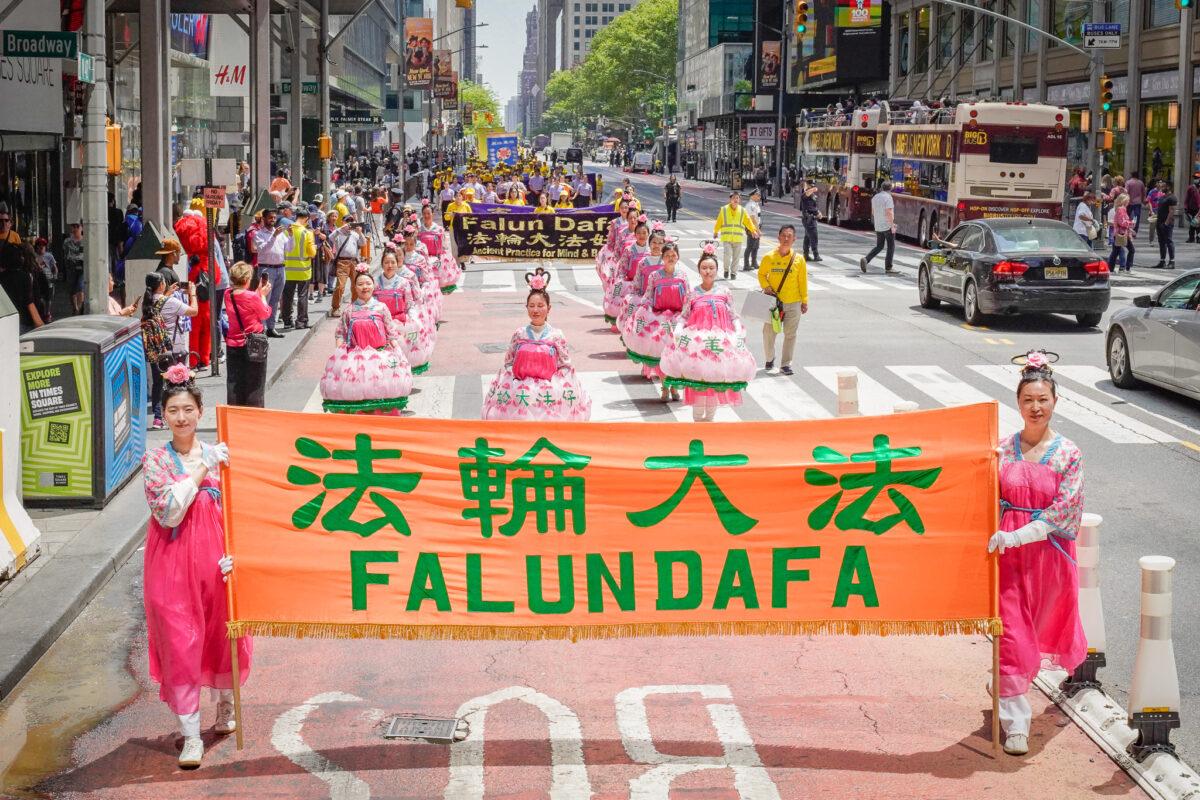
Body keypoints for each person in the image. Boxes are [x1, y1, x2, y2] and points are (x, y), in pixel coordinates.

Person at [142, 366, 250, 768]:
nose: (182, 417)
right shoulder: (155, 461)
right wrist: (205, 468)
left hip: (217, 563)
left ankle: (225, 706)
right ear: (164, 415)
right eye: (173, 410)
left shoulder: (224, 455)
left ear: (200, 412)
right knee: (181, 642)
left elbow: (239, 508)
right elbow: (169, 512)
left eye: (188, 409)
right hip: (170, 567)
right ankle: (190, 735)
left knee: (225, 636)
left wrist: (236, 550)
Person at [987, 350, 1087, 757]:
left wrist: (1021, 534)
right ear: (1018, 402)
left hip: (1048, 556)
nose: (1036, 407)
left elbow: (1065, 509)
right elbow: (983, 495)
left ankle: (1006, 683)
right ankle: (1016, 722)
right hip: (1007, 559)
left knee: (1037, 632)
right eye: (1028, 399)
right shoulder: (1002, 451)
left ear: (1055, 402)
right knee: (1013, 637)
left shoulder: (1068, 454)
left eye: (1043, 399)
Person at [660, 245, 756, 422]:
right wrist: (679, 331)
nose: (708, 271)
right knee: (699, 383)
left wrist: (737, 331)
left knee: (714, 382)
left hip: (719, 343)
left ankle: (709, 422)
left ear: (717, 270)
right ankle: (697, 422)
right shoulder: (692, 293)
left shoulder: (724, 292)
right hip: (697, 344)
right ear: (699, 270)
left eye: (711, 268)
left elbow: (732, 315)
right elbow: (684, 316)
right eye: (704, 268)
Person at [482, 269, 591, 421]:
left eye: (540, 305)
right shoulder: (519, 334)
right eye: (531, 305)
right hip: (522, 391)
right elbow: (508, 363)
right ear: (526, 308)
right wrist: (516, 383)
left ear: (549, 308)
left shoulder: (556, 336)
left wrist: (552, 386)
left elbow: (565, 366)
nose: (536, 310)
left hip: (548, 392)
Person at [319, 264, 413, 415]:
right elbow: (340, 334)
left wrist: (398, 351)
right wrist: (339, 354)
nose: (365, 287)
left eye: (368, 284)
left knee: (381, 397)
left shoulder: (381, 308)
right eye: (360, 284)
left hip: (380, 357)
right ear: (355, 287)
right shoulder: (349, 310)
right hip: (355, 360)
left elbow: (391, 333)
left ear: (373, 286)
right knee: (357, 398)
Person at [624, 241, 689, 398]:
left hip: (677, 318)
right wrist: (643, 310)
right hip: (658, 317)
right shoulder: (655, 276)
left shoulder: (682, 275)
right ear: (662, 258)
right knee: (660, 354)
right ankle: (665, 386)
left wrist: (687, 315)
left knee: (677, 354)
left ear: (678, 257)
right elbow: (648, 296)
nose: (670, 258)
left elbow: (688, 297)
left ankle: (674, 386)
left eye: (673, 255)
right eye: (667, 256)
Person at [758, 224, 808, 375]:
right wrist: (766, 287)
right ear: (778, 237)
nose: (786, 238)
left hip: (793, 302)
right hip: (774, 303)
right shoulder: (769, 257)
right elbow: (761, 274)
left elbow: (803, 281)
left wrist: (804, 300)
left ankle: (786, 364)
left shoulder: (799, 260)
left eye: (789, 236)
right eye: (784, 235)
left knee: (790, 334)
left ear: (794, 239)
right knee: (768, 332)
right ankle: (769, 358)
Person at [224, 262, 273, 407]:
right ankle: (254, 414)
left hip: (233, 342)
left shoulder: (228, 294)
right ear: (247, 279)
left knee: (234, 382)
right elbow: (265, 313)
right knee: (255, 383)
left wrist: (258, 294)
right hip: (254, 343)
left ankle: (234, 412)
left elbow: (245, 302)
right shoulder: (253, 297)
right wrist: (263, 296)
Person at [603, 218, 651, 328]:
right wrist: (622, 282)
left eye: (644, 233)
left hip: (647, 289)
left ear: (648, 234)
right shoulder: (629, 250)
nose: (641, 235)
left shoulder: (651, 251)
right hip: (630, 285)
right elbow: (622, 269)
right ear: (634, 234)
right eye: (638, 233)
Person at [251, 207, 290, 331]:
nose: (273, 220)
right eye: (270, 218)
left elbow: (289, 248)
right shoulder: (259, 234)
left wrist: (292, 236)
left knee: (275, 300)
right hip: (267, 269)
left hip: (280, 269)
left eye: (274, 218)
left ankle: (271, 328)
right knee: (264, 299)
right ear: (264, 219)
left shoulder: (280, 233)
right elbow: (262, 249)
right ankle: (262, 328)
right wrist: (273, 236)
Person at [280, 207, 316, 330]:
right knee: (302, 296)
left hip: (287, 270)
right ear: (306, 218)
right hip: (303, 270)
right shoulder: (307, 233)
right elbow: (312, 253)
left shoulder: (286, 231)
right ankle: (301, 322)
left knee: (287, 296)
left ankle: (286, 321)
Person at [327, 213, 367, 318]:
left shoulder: (355, 234)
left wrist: (360, 232)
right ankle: (335, 308)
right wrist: (341, 228)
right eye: (347, 221)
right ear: (343, 222)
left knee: (355, 286)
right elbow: (330, 237)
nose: (349, 223)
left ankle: (355, 307)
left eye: (351, 221)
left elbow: (363, 243)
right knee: (340, 286)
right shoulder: (339, 232)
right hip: (342, 262)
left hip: (354, 262)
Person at [712, 192, 757, 281]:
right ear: (730, 199)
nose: (736, 200)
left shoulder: (742, 210)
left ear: (739, 200)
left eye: (737, 198)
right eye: (734, 198)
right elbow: (719, 221)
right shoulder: (724, 209)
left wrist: (753, 230)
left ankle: (733, 273)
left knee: (736, 257)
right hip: (727, 238)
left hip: (738, 238)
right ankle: (726, 270)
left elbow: (748, 221)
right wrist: (716, 231)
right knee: (727, 255)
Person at [417, 201, 461, 291]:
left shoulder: (439, 229)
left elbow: (444, 247)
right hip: (423, 262)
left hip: (437, 260)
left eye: (428, 213)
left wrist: (442, 261)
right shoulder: (419, 230)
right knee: (426, 286)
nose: (426, 216)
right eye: (424, 213)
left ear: (432, 214)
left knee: (436, 283)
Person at [0, 243, 43, 332]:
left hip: (5, 321)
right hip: (23, 322)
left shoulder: (2, 277)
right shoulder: (25, 277)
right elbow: (29, 302)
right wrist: (40, 325)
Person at [860, 180, 895, 273]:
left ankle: (866, 259)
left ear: (882, 188)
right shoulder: (888, 197)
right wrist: (892, 225)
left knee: (879, 246)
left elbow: (873, 212)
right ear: (890, 189)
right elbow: (889, 212)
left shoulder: (875, 197)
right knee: (891, 246)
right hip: (887, 225)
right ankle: (888, 267)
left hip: (878, 225)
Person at [1107, 194, 1134, 272]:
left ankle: (1111, 268)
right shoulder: (1121, 209)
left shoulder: (1120, 209)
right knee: (1131, 250)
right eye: (1128, 200)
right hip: (1121, 233)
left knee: (1116, 251)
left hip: (1119, 233)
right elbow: (1121, 222)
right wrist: (1131, 223)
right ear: (1124, 201)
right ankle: (1127, 268)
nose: (1128, 202)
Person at [1153, 181, 1177, 269]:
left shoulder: (1172, 198)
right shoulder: (1162, 197)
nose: (1161, 187)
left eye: (1163, 186)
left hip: (1167, 224)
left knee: (1168, 241)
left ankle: (1172, 261)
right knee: (1161, 242)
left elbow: (1171, 211)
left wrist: (1166, 223)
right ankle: (1162, 261)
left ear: (1169, 187)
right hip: (1159, 222)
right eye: (1161, 186)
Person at [63, 223, 85, 315]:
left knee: (80, 286)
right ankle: (74, 308)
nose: (75, 229)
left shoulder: (84, 240)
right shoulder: (67, 241)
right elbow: (65, 254)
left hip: (82, 265)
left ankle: (80, 308)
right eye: (73, 226)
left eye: (77, 226)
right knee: (72, 289)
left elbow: (84, 253)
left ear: (81, 228)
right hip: (71, 266)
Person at [799, 180, 823, 261]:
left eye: (813, 185)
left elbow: (813, 207)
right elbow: (805, 195)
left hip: (811, 218)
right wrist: (811, 189)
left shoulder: (811, 195)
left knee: (808, 237)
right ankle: (816, 255)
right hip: (808, 218)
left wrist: (818, 212)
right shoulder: (805, 193)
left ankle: (806, 254)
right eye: (811, 185)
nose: (813, 187)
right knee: (813, 236)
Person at [742, 190, 763, 272]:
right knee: (750, 247)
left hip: (756, 227)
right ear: (753, 195)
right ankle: (746, 265)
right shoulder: (750, 205)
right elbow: (752, 219)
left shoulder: (755, 204)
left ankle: (754, 263)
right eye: (758, 195)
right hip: (752, 228)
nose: (759, 197)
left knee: (756, 246)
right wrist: (757, 230)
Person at [1125, 171, 1145, 237]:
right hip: (1138, 202)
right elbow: (1143, 193)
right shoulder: (1141, 183)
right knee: (1136, 217)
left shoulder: (1128, 182)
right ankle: (1135, 232)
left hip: (1129, 202)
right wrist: (1143, 201)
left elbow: (1126, 192)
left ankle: (1126, 230)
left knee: (1127, 217)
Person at [1185, 176, 1200, 243]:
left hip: (1198, 209)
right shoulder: (1191, 188)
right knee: (1193, 224)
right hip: (1192, 209)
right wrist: (1186, 207)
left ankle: (1198, 237)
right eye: (1195, 178)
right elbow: (1187, 198)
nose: (1196, 180)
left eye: (1197, 178)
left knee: (1198, 224)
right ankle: (1191, 238)